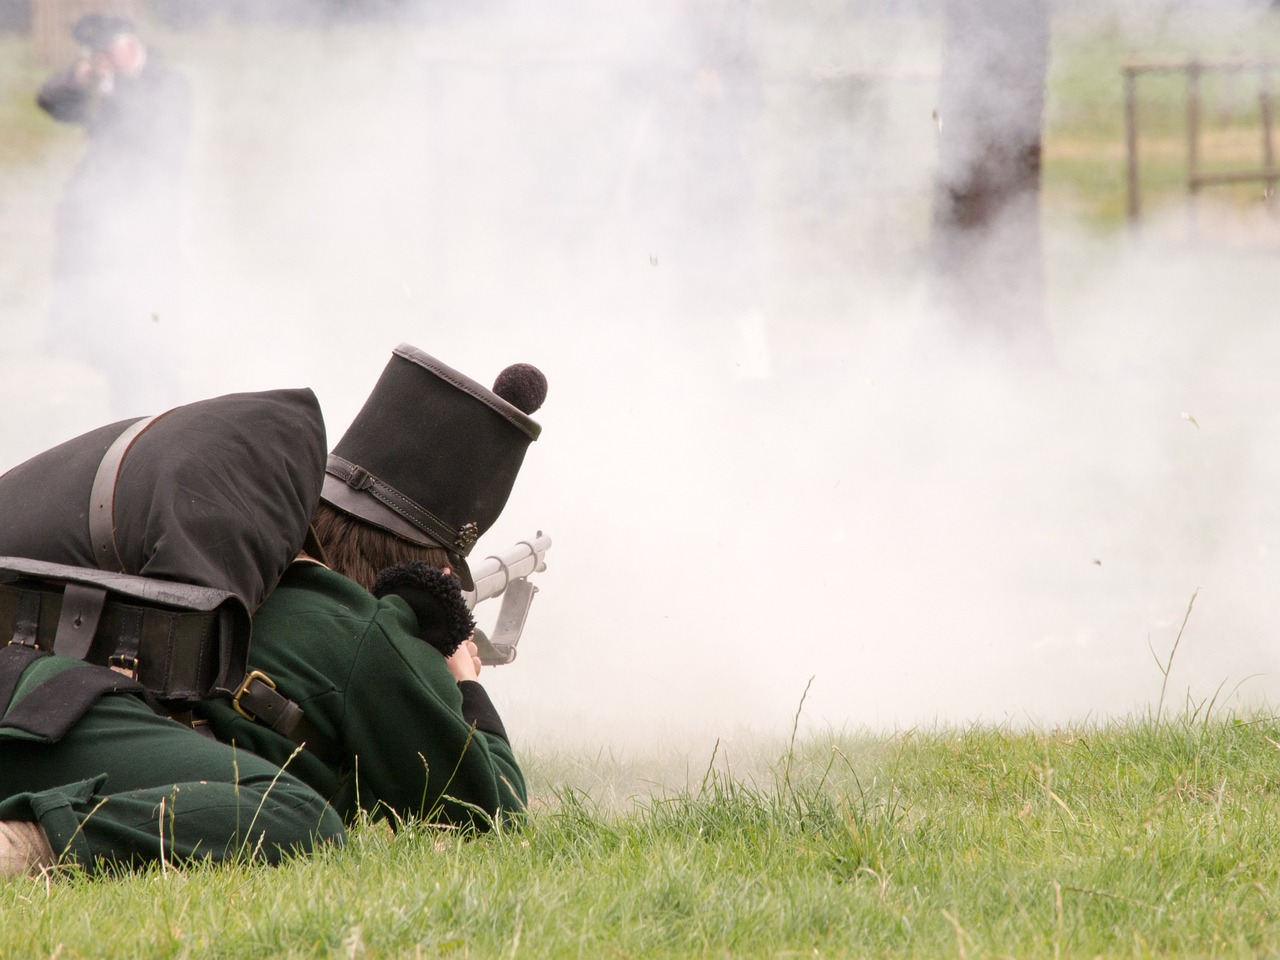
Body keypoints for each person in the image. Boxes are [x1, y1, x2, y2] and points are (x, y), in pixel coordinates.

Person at [0, 344, 547, 876]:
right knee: (300, 821)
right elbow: (492, 812)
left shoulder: (244, 561)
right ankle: (21, 846)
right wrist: (463, 680)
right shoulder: (370, 633)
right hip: (47, 724)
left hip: (33, 709)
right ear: (438, 579)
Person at [37, 14, 190, 418]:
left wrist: (115, 87)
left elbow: (154, 133)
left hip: (147, 216)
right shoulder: (100, 84)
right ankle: (123, 408)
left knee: (152, 319)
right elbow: (49, 101)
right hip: (98, 219)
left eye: (108, 49)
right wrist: (83, 74)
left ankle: (170, 405)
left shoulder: (167, 81)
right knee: (111, 322)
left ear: (128, 44)